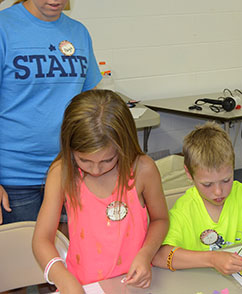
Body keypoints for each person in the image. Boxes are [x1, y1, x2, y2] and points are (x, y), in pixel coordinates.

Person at [32, 90, 169, 291]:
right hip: (84, 284)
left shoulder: (143, 170)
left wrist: (146, 253)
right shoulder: (62, 172)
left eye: (107, 160)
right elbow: (41, 239)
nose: (95, 170)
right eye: (84, 160)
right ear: (70, 148)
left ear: (124, 146)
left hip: (135, 282)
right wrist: (63, 278)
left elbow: (160, 220)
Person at [0, 0, 102, 225]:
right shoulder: (4, 28)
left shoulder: (78, 32)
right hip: (14, 179)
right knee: (22, 256)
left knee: (72, 254)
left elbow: (89, 105)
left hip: (71, 171)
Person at [152, 122, 242, 275]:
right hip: (200, 281)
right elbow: (159, 255)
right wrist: (212, 259)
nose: (219, 191)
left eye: (226, 180)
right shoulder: (184, 209)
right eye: (207, 184)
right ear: (188, 173)